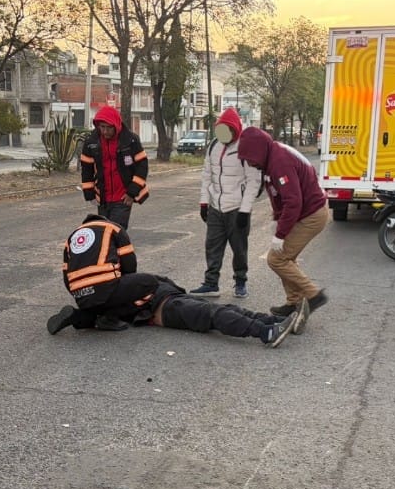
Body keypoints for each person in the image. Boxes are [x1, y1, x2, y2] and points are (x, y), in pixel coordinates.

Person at [49, 215, 308, 347]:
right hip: (161, 304)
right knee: (213, 314)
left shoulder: (73, 238)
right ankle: (266, 332)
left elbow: (67, 277)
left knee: (221, 309)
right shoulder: (113, 229)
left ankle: (271, 321)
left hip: (89, 297)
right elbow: (130, 267)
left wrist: (82, 303)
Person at [236, 126, 329, 317]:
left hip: (311, 215)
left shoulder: (279, 162)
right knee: (286, 258)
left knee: (277, 259)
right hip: (308, 212)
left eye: (250, 158)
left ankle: (313, 294)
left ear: (258, 150)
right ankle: (293, 301)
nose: (250, 163)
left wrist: (281, 234)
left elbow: (293, 202)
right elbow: (279, 196)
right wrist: (278, 220)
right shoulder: (272, 155)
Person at [190, 107, 263, 300]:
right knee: (212, 246)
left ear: (235, 129)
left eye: (227, 130)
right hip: (216, 207)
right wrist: (204, 202)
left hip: (236, 208)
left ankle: (240, 282)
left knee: (239, 249)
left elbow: (253, 181)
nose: (223, 134)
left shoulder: (245, 148)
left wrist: (245, 211)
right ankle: (211, 283)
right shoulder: (214, 145)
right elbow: (207, 175)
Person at [79, 106, 149, 229]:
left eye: (109, 128)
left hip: (123, 196)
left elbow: (142, 166)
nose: (105, 131)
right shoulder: (91, 142)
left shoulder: (130, 141)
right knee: (104, 231)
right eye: (102, 127)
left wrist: (132, 192)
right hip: (103, 197)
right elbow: (86, 169)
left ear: (116, 125)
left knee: (115, 231)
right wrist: (89, 193)